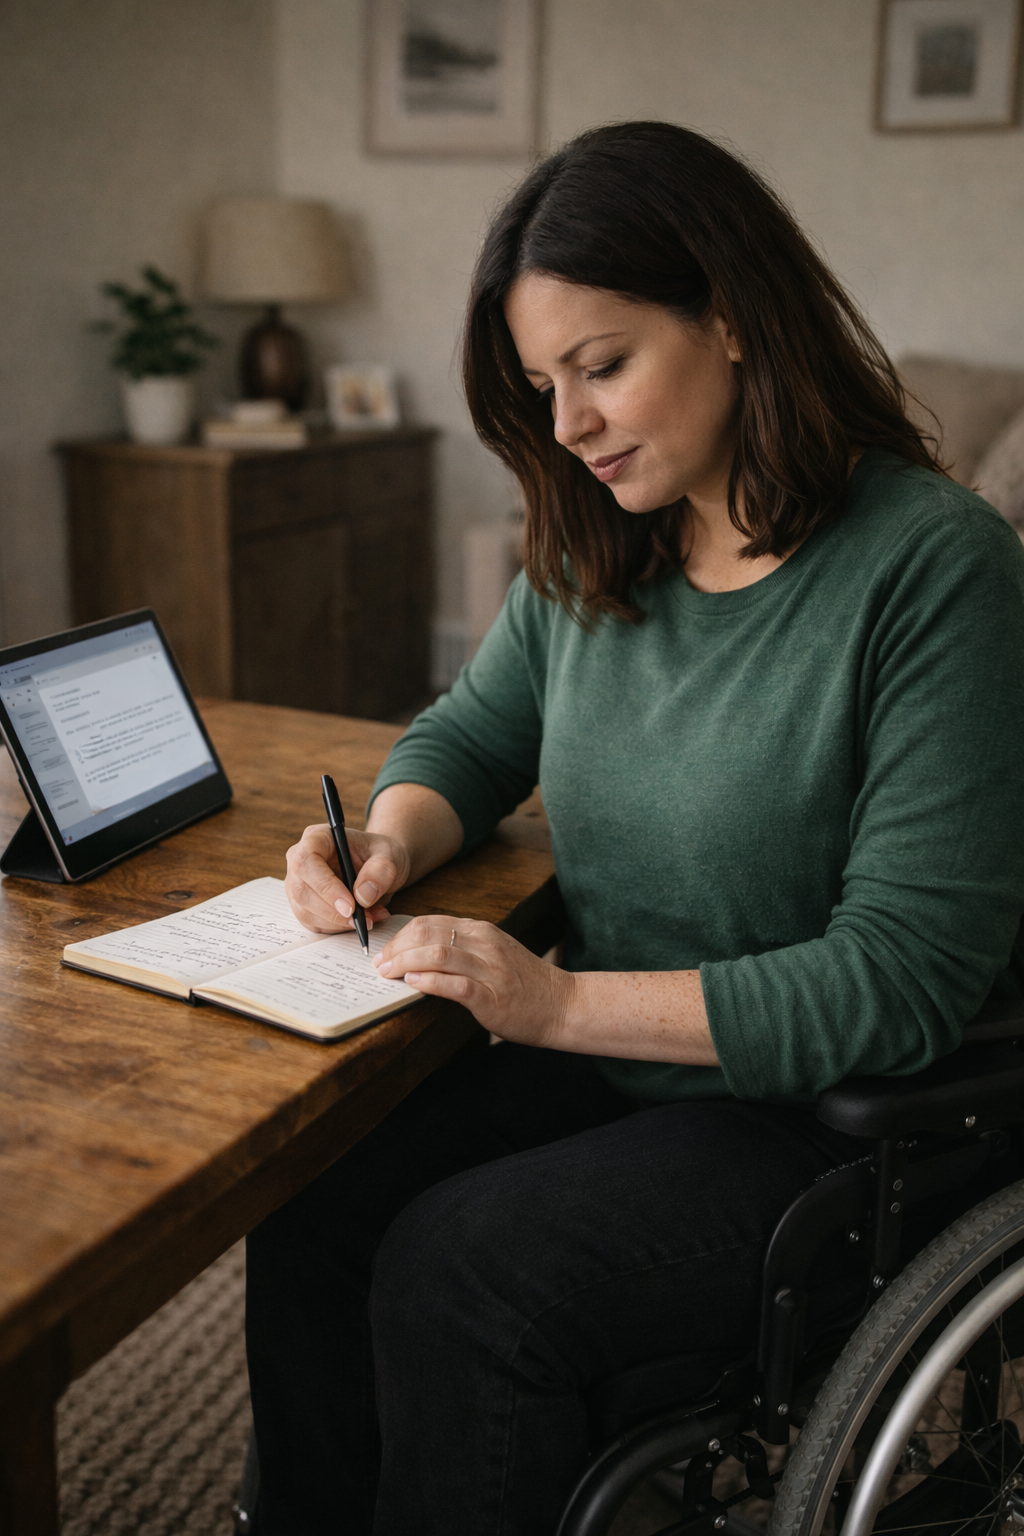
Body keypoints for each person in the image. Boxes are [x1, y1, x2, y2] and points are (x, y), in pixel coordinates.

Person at [245, 122, 1024, 1535]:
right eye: (544, 385)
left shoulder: (935, 571)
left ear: (731, 316)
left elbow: (900, 980)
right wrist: (390, 841)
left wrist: (549, 1002)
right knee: (312, 1190)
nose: (569, 426)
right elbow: (473, 732)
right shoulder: (604, 533)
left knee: (461, 1268)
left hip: (829, 1116)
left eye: (601, 368)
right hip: (616, 1050)